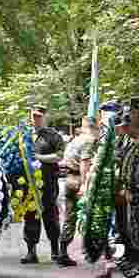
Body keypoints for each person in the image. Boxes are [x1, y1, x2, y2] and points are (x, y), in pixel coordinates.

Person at [21, 105, 65, 264]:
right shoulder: (23, 135)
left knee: (50, 215)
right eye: (33, 116)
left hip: (47, 181)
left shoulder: (53, 135)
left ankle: (55, 250)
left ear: (45, 117)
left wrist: (39, 158)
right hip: (28, 183)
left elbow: (59, 156)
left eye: (39, 116)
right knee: (30, 215)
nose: (36, 119)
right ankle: (31, 251)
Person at [59, 117, 98, 267]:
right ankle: (92, 249)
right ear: (95, 127)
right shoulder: (88, 140)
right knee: (91, 214)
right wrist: (84, 185)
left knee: (70, 216)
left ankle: (62, 251)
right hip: (77, 179)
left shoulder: (75, 140)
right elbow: (85, 162)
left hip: (68, 179)